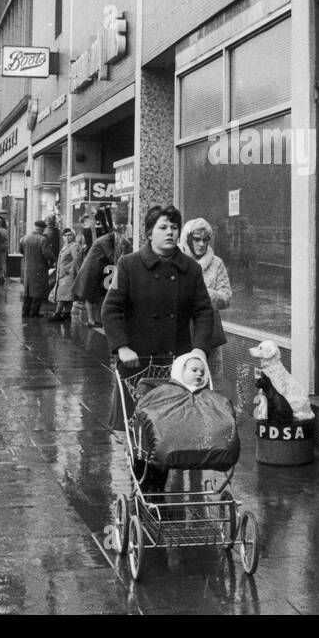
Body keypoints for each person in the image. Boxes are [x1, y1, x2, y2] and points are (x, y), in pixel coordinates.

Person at [102, 204, 215, 489]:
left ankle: (154, 491)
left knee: (167, 431)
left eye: (174, 227)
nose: (170, 232)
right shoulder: (128, 264)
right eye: (163, 227)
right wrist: (122, 346)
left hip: (174, 363)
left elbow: (203, 312)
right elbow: (111, 310)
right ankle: (143, 489)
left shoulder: (190, 269)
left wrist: (199, 349)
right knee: (140, 430)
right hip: (137, 363)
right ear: (149, 231)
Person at [179, 217, 232, 388]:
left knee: (211, 382)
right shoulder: (177, 261)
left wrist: (204, 294)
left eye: (206, 239)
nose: (201, 244)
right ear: (187, 238)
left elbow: (226, 297)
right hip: (181, 330)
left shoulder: (217, 263)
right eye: (196, 239)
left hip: (209, 332)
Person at [77, 210, 128, 328]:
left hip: (99, 269)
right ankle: (91, 320)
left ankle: (96, 319)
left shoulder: (104, 237)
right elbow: (111, 256)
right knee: (91, 295)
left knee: (100, 294)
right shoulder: (104, 240)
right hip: (92, 269)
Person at [19, 219, 56, 318]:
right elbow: (48, 254)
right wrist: (51, 262)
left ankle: (25, 311)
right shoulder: (42, 240)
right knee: (38, 292)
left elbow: (21, 250)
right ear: (43, 229)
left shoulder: (25, 238)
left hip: (27, 268)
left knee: (28, 291)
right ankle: (34, 313)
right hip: (40, 269)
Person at [49, 228, 83, 321]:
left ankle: (57, 314)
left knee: (62, 296)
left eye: (69, 235)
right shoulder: (66, 246)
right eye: (65, 235)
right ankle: (67, 315)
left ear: (73, 235)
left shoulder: (75, 246)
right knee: (68, 296)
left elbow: (77, 260)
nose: (67, 237)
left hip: (69, 275)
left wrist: (76, 272)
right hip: (63, 275)